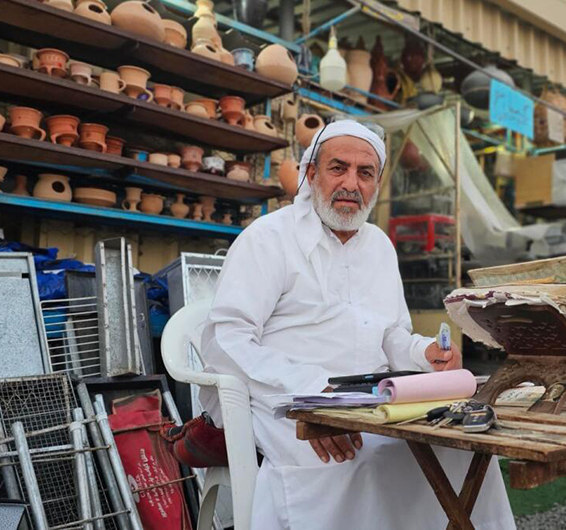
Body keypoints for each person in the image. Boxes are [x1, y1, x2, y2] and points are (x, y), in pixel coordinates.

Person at [200, 120, 515, 530]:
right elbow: (226, 341)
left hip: (370, 402)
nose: (351, 183)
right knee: (356, 461)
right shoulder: (268, 239)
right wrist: (313, 401)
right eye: (338, 168)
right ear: (311, 174)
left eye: (364, 173)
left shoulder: (380, 246)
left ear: (377, 183)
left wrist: (423, 352)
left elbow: (389, 334)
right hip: (282, 398)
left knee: (466, 449)